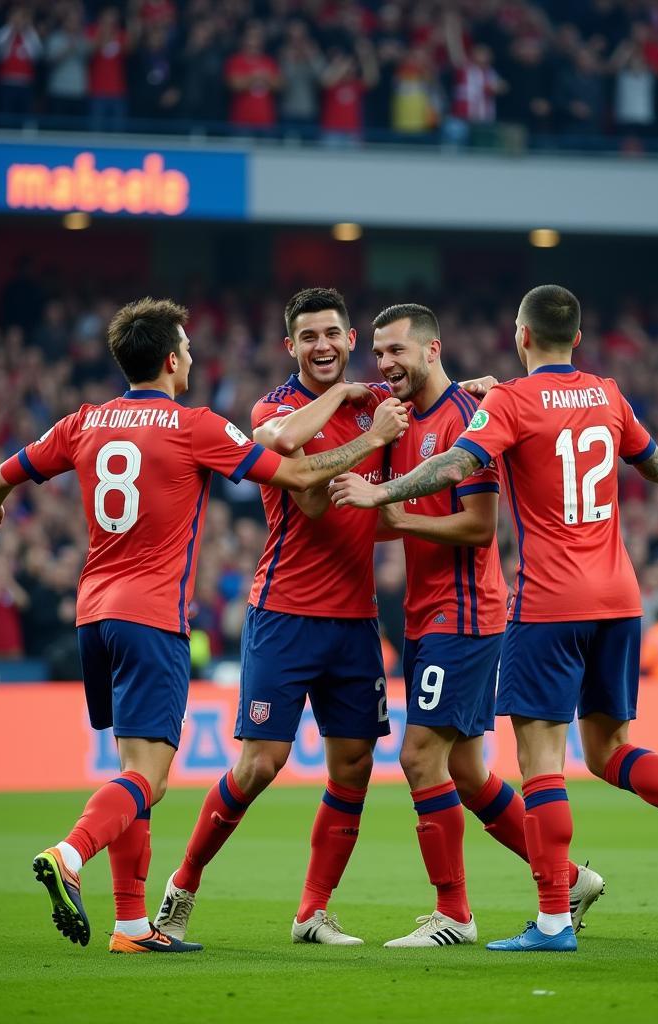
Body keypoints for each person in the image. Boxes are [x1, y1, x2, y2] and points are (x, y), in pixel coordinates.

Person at [0, 297, 408, 955]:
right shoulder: (193, 424)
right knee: (151, 778)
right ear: (172, 360)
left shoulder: (85, 421)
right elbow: (293, 471)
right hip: (153, 617)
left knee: (131, 768)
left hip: (94, 616)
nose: (195, 358)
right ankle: (70, 853)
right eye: (189, 350)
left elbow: (8, 472)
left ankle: (132, 926)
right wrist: (373, 441)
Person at [330, 284, 658, 953]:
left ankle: (554, 920)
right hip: (620, 599)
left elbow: (453, 462)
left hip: (550, 603)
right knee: (609, 750)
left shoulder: (512, 400)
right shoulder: (608, 395)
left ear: (522, 336)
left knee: (542, 765)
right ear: (577, 340)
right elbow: (652, 459)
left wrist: (382, 489)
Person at [153, 288, 492, 947]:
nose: (325, 346)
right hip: (284, 613)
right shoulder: (278, 407)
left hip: (356, 621)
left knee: (354, 765)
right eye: (310, 337)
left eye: (335, 334)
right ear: (291, 347)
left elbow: (436, 407)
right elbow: (300, 480)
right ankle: (183, 885)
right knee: (260, 765)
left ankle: (312, 912)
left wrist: (472, 387)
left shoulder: (378, 404)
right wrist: (358, 420)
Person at [367, 304, 604, 949]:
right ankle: (567, 877)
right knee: (468, 772)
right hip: (425, 613)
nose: (385, 364)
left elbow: (478, 527)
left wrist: (394, 518)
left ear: (433, 349)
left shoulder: (475, 419)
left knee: (420, 757)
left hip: (465, 613)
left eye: (396, 351)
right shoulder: (405, 423)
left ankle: (455, 916)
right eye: (378, 353)